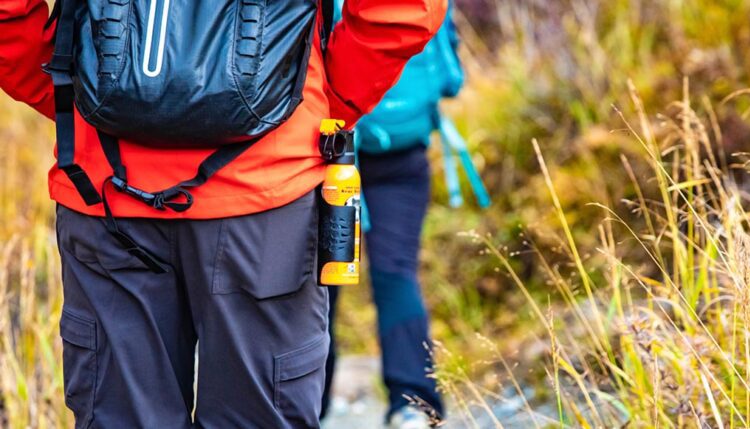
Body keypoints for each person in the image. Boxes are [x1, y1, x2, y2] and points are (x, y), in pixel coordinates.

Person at [0, 0, 446, 427]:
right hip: (266, 200)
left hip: (105, 190)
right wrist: (320, 104)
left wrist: (75, 97)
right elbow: (400, 9)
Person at [321, 3, 483, 427]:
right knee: (396, 273)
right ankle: (412, 404)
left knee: (321, 279)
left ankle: (310, 404)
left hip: (326, 150)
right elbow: (450, 79)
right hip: (402, 150)